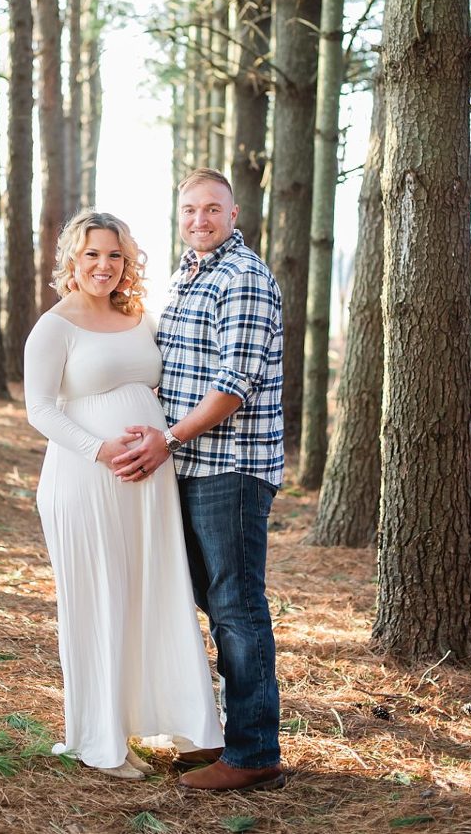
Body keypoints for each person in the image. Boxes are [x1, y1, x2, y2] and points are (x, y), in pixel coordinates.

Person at [23, 210, 223, 781]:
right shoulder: (55, 326)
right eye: (91, 254)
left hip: (149, 483)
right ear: (72, 259)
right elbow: (40, 409)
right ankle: (98, 740)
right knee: (99, 599)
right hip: (85, 480)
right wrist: (99, 449)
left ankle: (174, 719)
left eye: (114, 255)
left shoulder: (139, 318)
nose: (103, 266)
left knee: (153, 594)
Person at [114, 167, 285, 792]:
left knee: (237, 609)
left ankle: (253, 752)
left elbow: (233, 388)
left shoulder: (241, 279)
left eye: (212, 209)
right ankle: (215, 730)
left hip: (230, 468)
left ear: (233, 214)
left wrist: (169, 439)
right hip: (185, 466)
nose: (199, 220)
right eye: (189, 210)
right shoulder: (188, 278)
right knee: (209, 602)